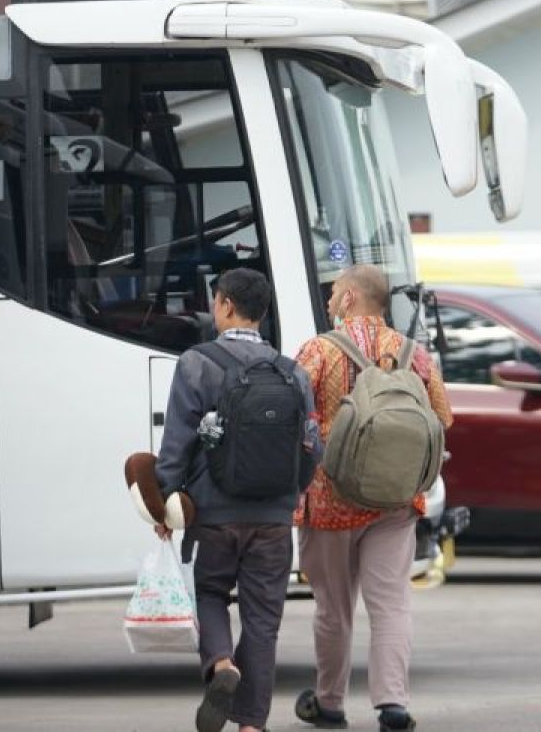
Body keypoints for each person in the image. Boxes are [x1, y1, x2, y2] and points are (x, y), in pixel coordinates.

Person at [154, 267, 320, 732]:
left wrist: (167, 499)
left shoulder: (196, 363)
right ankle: (251, 724)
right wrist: (290, 494)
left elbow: (177, 443)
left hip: (214, 513)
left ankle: (221, 663)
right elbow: (312, 448)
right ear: (263, 312)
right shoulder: (293, 373)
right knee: (263, 619)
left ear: (225, 304)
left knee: (208, 592)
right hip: (272, 518)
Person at [293, 264, 453, 732]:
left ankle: (329, 702)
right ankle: (392, 705)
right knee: (391, 605)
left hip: (329, 500)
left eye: (333, 293)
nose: (328, 302)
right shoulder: (415, 354)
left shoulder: (318, 351)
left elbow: (291, 417)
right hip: (396, 501)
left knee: (333, 609)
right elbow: (442, 419)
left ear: (349, 299)